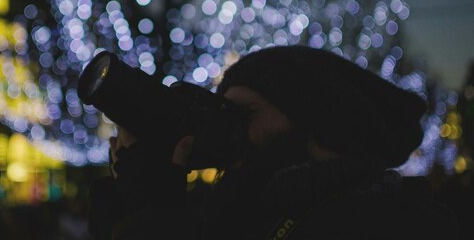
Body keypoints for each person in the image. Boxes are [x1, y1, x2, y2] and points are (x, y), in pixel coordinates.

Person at [88, 46, 458, 240]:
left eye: (245, 115)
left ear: (322, 123)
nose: (225, 130)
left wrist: (154, 222)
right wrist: (129, 205)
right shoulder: (240, 219)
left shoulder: (394, 222)